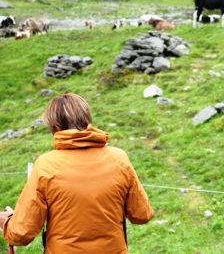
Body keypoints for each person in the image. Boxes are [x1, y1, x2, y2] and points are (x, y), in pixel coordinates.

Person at [0, 93, 153, 253]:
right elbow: (142, 214)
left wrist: (7, 222)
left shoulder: (45, 165)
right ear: (87, 119)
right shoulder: (119, 159)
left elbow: (21, 233)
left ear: (55, 127)